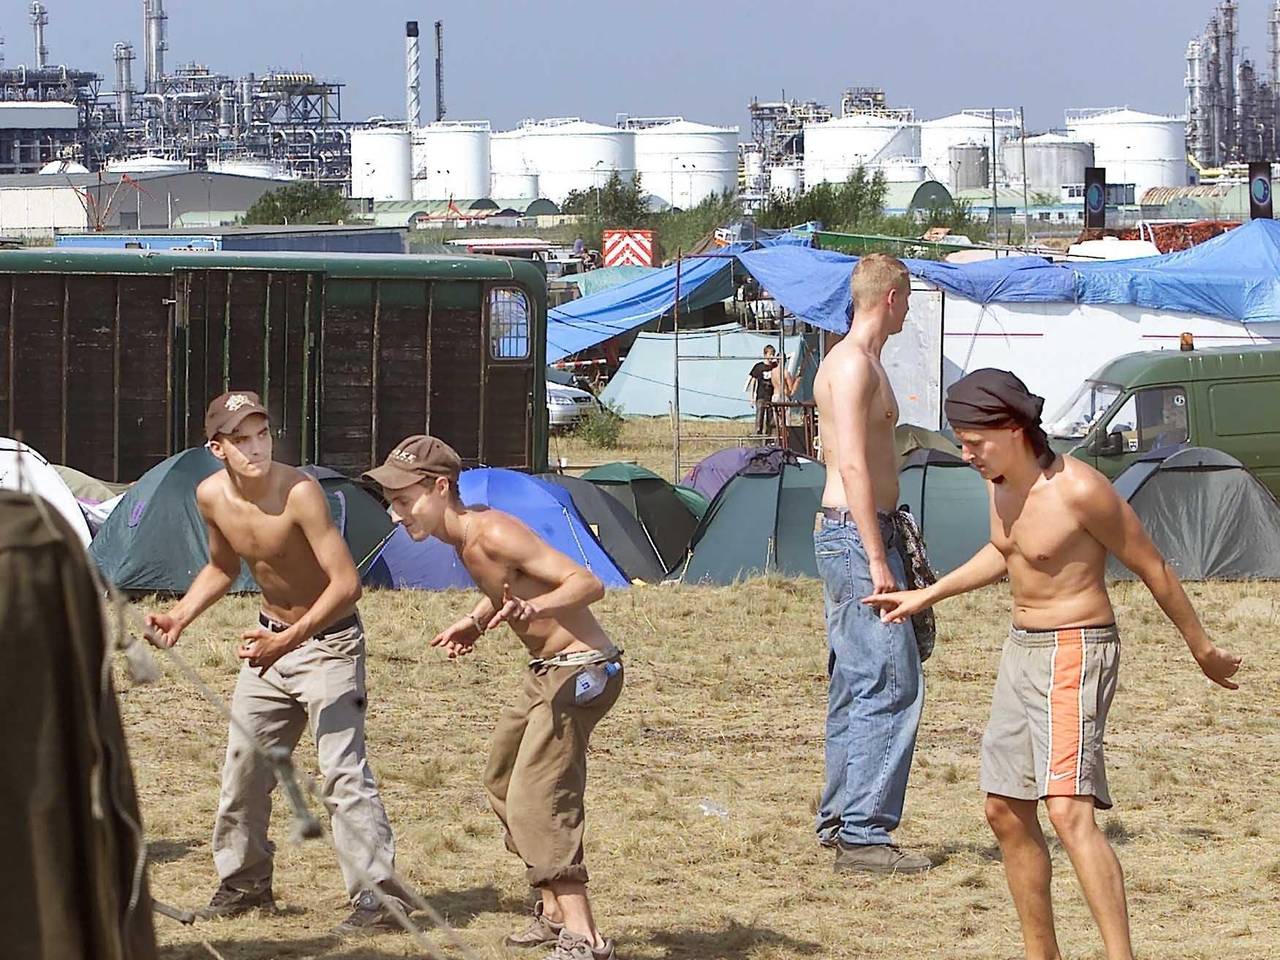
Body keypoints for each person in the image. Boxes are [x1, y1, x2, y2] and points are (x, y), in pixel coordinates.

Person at [864, 369, 1242, 960]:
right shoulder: (998, 483)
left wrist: (1202, 649)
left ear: (1013, 429)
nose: (966, 454)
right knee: (1004, 810)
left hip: (1076, 648)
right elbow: (1007, 551)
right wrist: (926, 594)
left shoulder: (1081, 490)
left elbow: (1153, 566)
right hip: (1022, 650)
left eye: (974, 442)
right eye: (961, 442)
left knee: (1067, 812)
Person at [146, 391, 407, 934]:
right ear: (217, 448)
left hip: (329, 644)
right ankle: (244, 885)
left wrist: (288, 641)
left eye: (262, 434)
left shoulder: (300, 493)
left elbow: (347, 585)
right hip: (269, 645)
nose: (256, 448)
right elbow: (222, 568)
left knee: (342, 773)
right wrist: (179, 616)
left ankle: (378, 900)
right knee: (243, 769)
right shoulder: (210, 495)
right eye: (241, 439)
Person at [364, 436, 623, 960]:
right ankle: (553, 913)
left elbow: (587, 583)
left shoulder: (495, 531)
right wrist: (476, 621)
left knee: (538, 799)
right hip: (546, 670)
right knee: (503, 783)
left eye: (404, 501)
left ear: (441, 488)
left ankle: (586, 938)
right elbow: (508, 587)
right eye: (392, 503)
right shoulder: (464, 540)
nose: (396, 515)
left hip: (583, 669)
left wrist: (538, 609)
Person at [811, 253, 930, 874]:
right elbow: (853, 464)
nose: (908, 310)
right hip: (858, 537)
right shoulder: (854, 365)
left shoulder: (857, 362)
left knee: (857, 679)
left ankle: (841, 818)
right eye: (907, 299)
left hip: (859, 533)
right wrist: (878, 557)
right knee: (890, 678)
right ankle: (864, 833)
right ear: (890, 298)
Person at [745, 345, 780, 437]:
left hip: (771, 397)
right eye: (770, 354)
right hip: (761, 396)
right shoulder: (758, 367)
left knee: (771, 419)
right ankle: (758, 435)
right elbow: (753, 381)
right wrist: (752, 397)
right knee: (759, 417)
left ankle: (769, 437)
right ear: (765, 354)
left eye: (773, 354)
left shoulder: (775, 367)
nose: (772, 356)